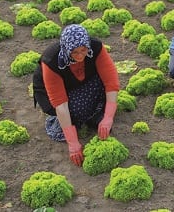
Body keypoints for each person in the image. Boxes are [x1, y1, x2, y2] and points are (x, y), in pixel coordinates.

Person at [32, 24, 119, 166]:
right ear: (66, 49)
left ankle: (94, 116)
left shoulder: (95, 47)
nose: (80, 56)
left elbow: (111, 83)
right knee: (76, 109)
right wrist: (73, 143)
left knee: (103, 89)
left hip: (81, 82)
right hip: (53, 94)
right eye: (74, 52)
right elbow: (60, 103)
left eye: (83, 50)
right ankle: (78, 120)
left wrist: (108, 117)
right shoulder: (52, 61)